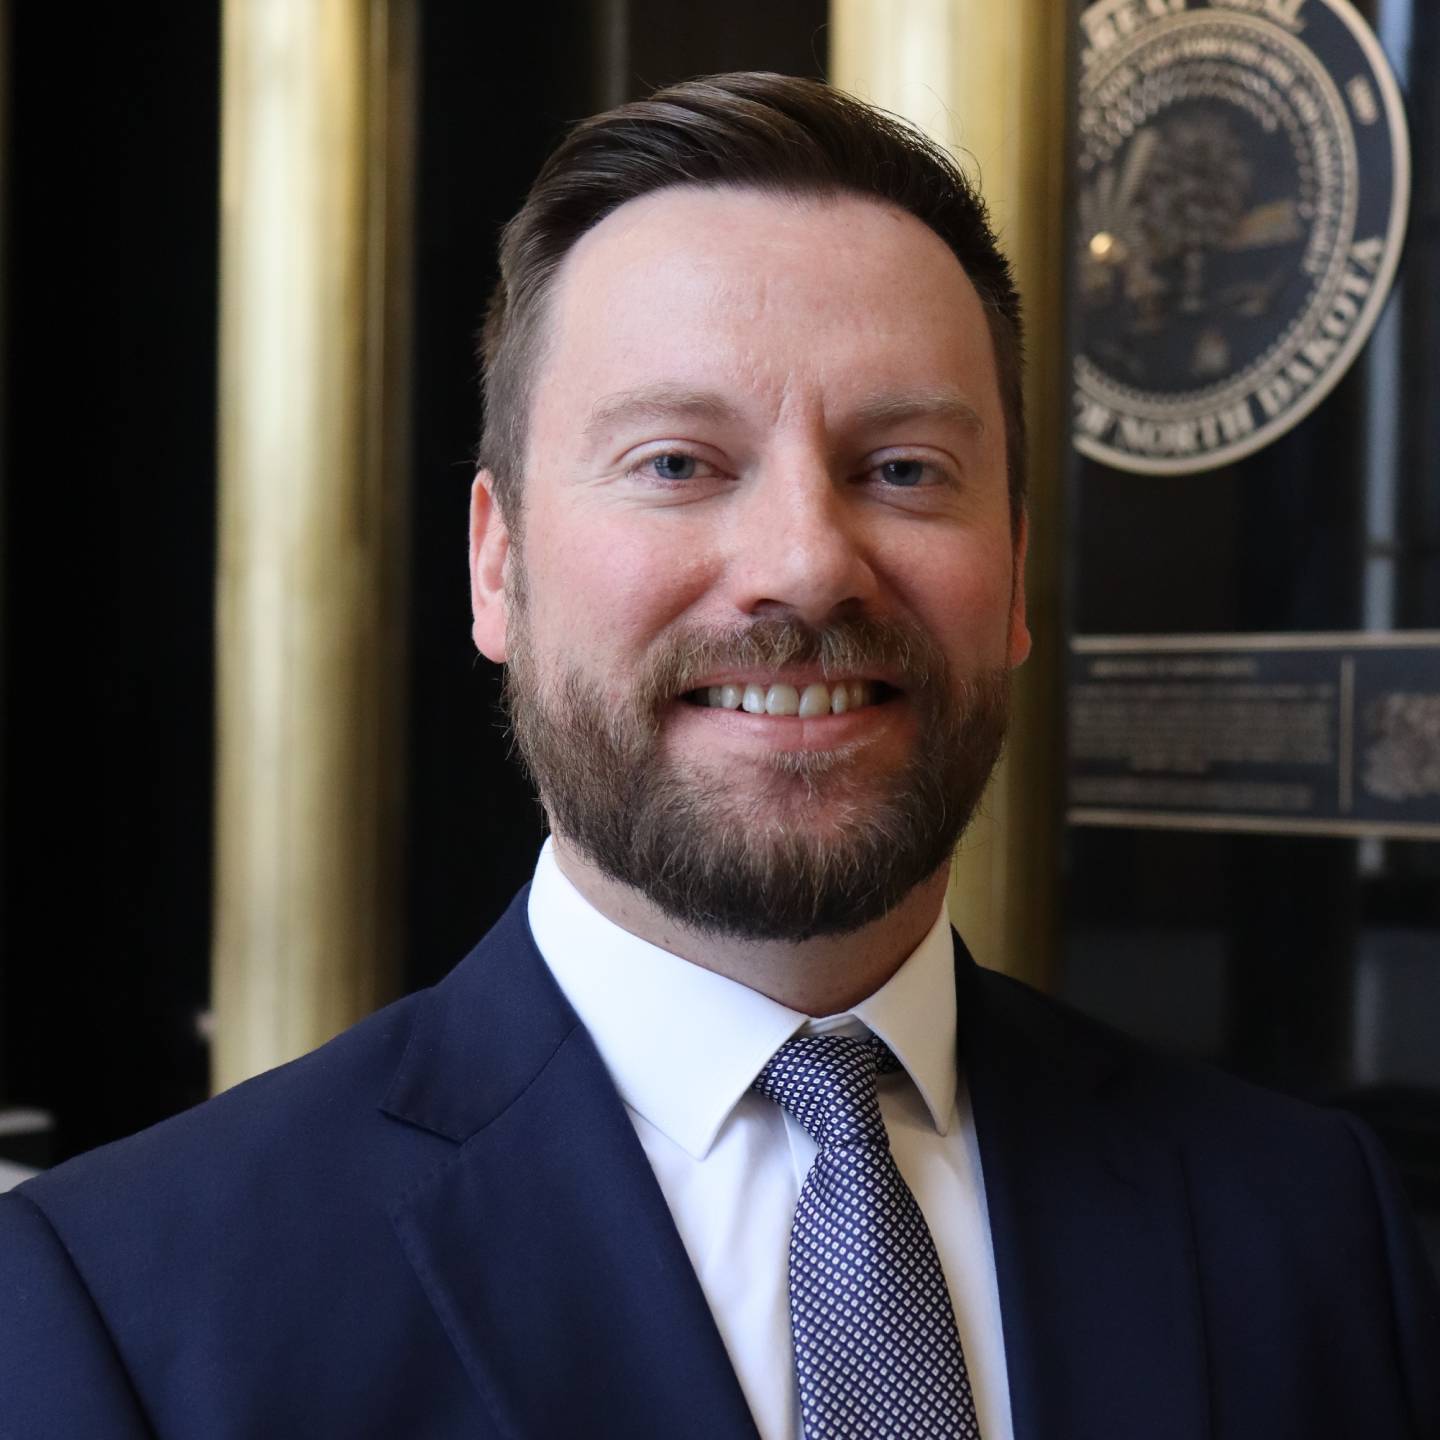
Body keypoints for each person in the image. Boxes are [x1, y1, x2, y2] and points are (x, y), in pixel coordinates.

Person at [2, 72, 1437, 1440]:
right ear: (497, 566)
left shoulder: (1308, 1231)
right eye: (679, 462)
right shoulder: (129, 1304)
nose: (808, 566)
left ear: (1011, 578)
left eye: (903, 471)